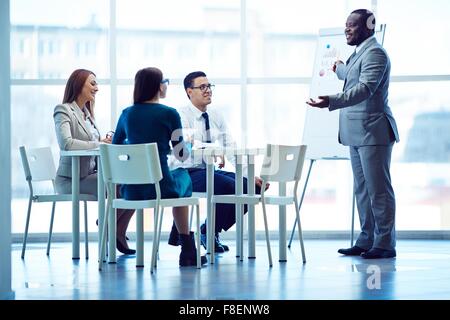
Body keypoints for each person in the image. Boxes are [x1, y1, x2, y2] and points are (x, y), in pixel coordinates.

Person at [306, 9, 399, 259]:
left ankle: (384, 243)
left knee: (378, 189)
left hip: (373, 132)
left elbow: (366, 88)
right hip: (356, 133)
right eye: (346, 25)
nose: (346, 30)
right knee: (362, 189)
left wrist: (332, 101)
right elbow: (355, 76)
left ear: (368, 27)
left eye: (352, 26)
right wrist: (340, 70)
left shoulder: (376, 53)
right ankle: (367, 239)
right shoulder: (360, 53)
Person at [112, 67, 207, 267]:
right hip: (160, 187)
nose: (166, 85)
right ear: (157, 86)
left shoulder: (126, 114)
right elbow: (181, 155)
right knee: (184, 177)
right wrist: (188, 143)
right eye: (165, 81)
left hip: (131, 190)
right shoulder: (169, 113)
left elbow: (116, 146)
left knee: (179, 181)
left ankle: (183, 241)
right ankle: (187, 247)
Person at [168, 71, 269, 253]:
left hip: (207, 169)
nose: (208, 90)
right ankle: (206, 231)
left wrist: (248, 174)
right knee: (229, 186)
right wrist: (213, 149)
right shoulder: (181, 115)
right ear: (189, 91)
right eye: (202, 87)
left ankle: (208, 230)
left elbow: (231, 147)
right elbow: (185, 146)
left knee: (251, 187)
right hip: (186, 171)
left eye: (209, 86)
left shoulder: (216, 115)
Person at [53, 69, 135, 255]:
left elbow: (92, 143)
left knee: (136, 184)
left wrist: (106, 142)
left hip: (91, 176)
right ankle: (110, 226)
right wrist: (98, 143)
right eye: (92, 83)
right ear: (78, 84)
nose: (96, 88)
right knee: (123, 185)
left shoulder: (87, 113)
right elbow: (66, 143)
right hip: (72, 180)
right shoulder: (63, 110)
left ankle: (113, 228)